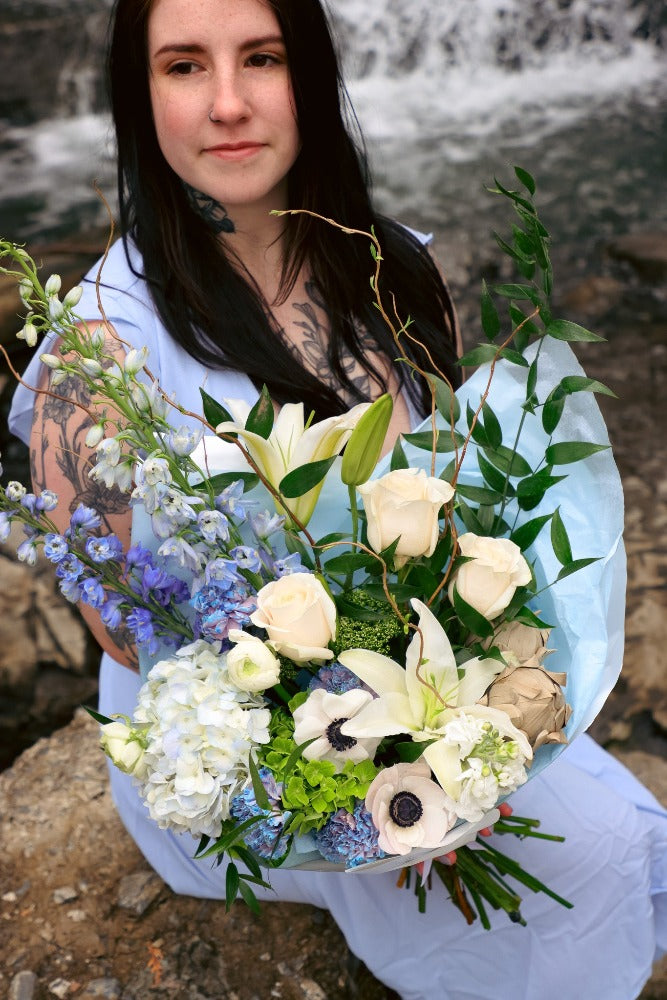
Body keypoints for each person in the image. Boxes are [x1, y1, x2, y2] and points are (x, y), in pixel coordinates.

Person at [8, 0, 666, 997]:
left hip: (418, 696)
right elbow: (133, 632)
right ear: (140, 101)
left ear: (308, 77)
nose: (227, 103)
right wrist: (389, 790)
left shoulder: (393, 269)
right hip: (247, 768)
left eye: (260, 59)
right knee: (581, 869)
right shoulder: (101, 356)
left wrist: (460, 724)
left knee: (619, 841)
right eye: (184, 67)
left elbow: (462, 517)